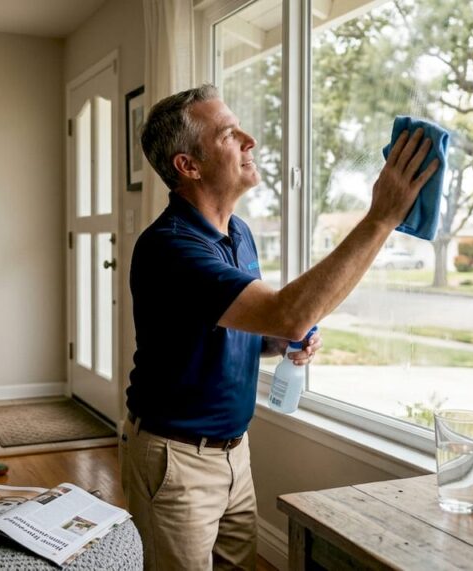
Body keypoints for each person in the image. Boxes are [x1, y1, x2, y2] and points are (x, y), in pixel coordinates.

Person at [123, 84, 438, 570]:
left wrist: (276, 340)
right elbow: (289, 311)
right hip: (176, 460)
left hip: (234, 452)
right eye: (229, 134)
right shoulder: (169, 248)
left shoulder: (239, 233)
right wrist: (382, 216)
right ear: (189, 165)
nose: (249, 139)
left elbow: (244, 325)